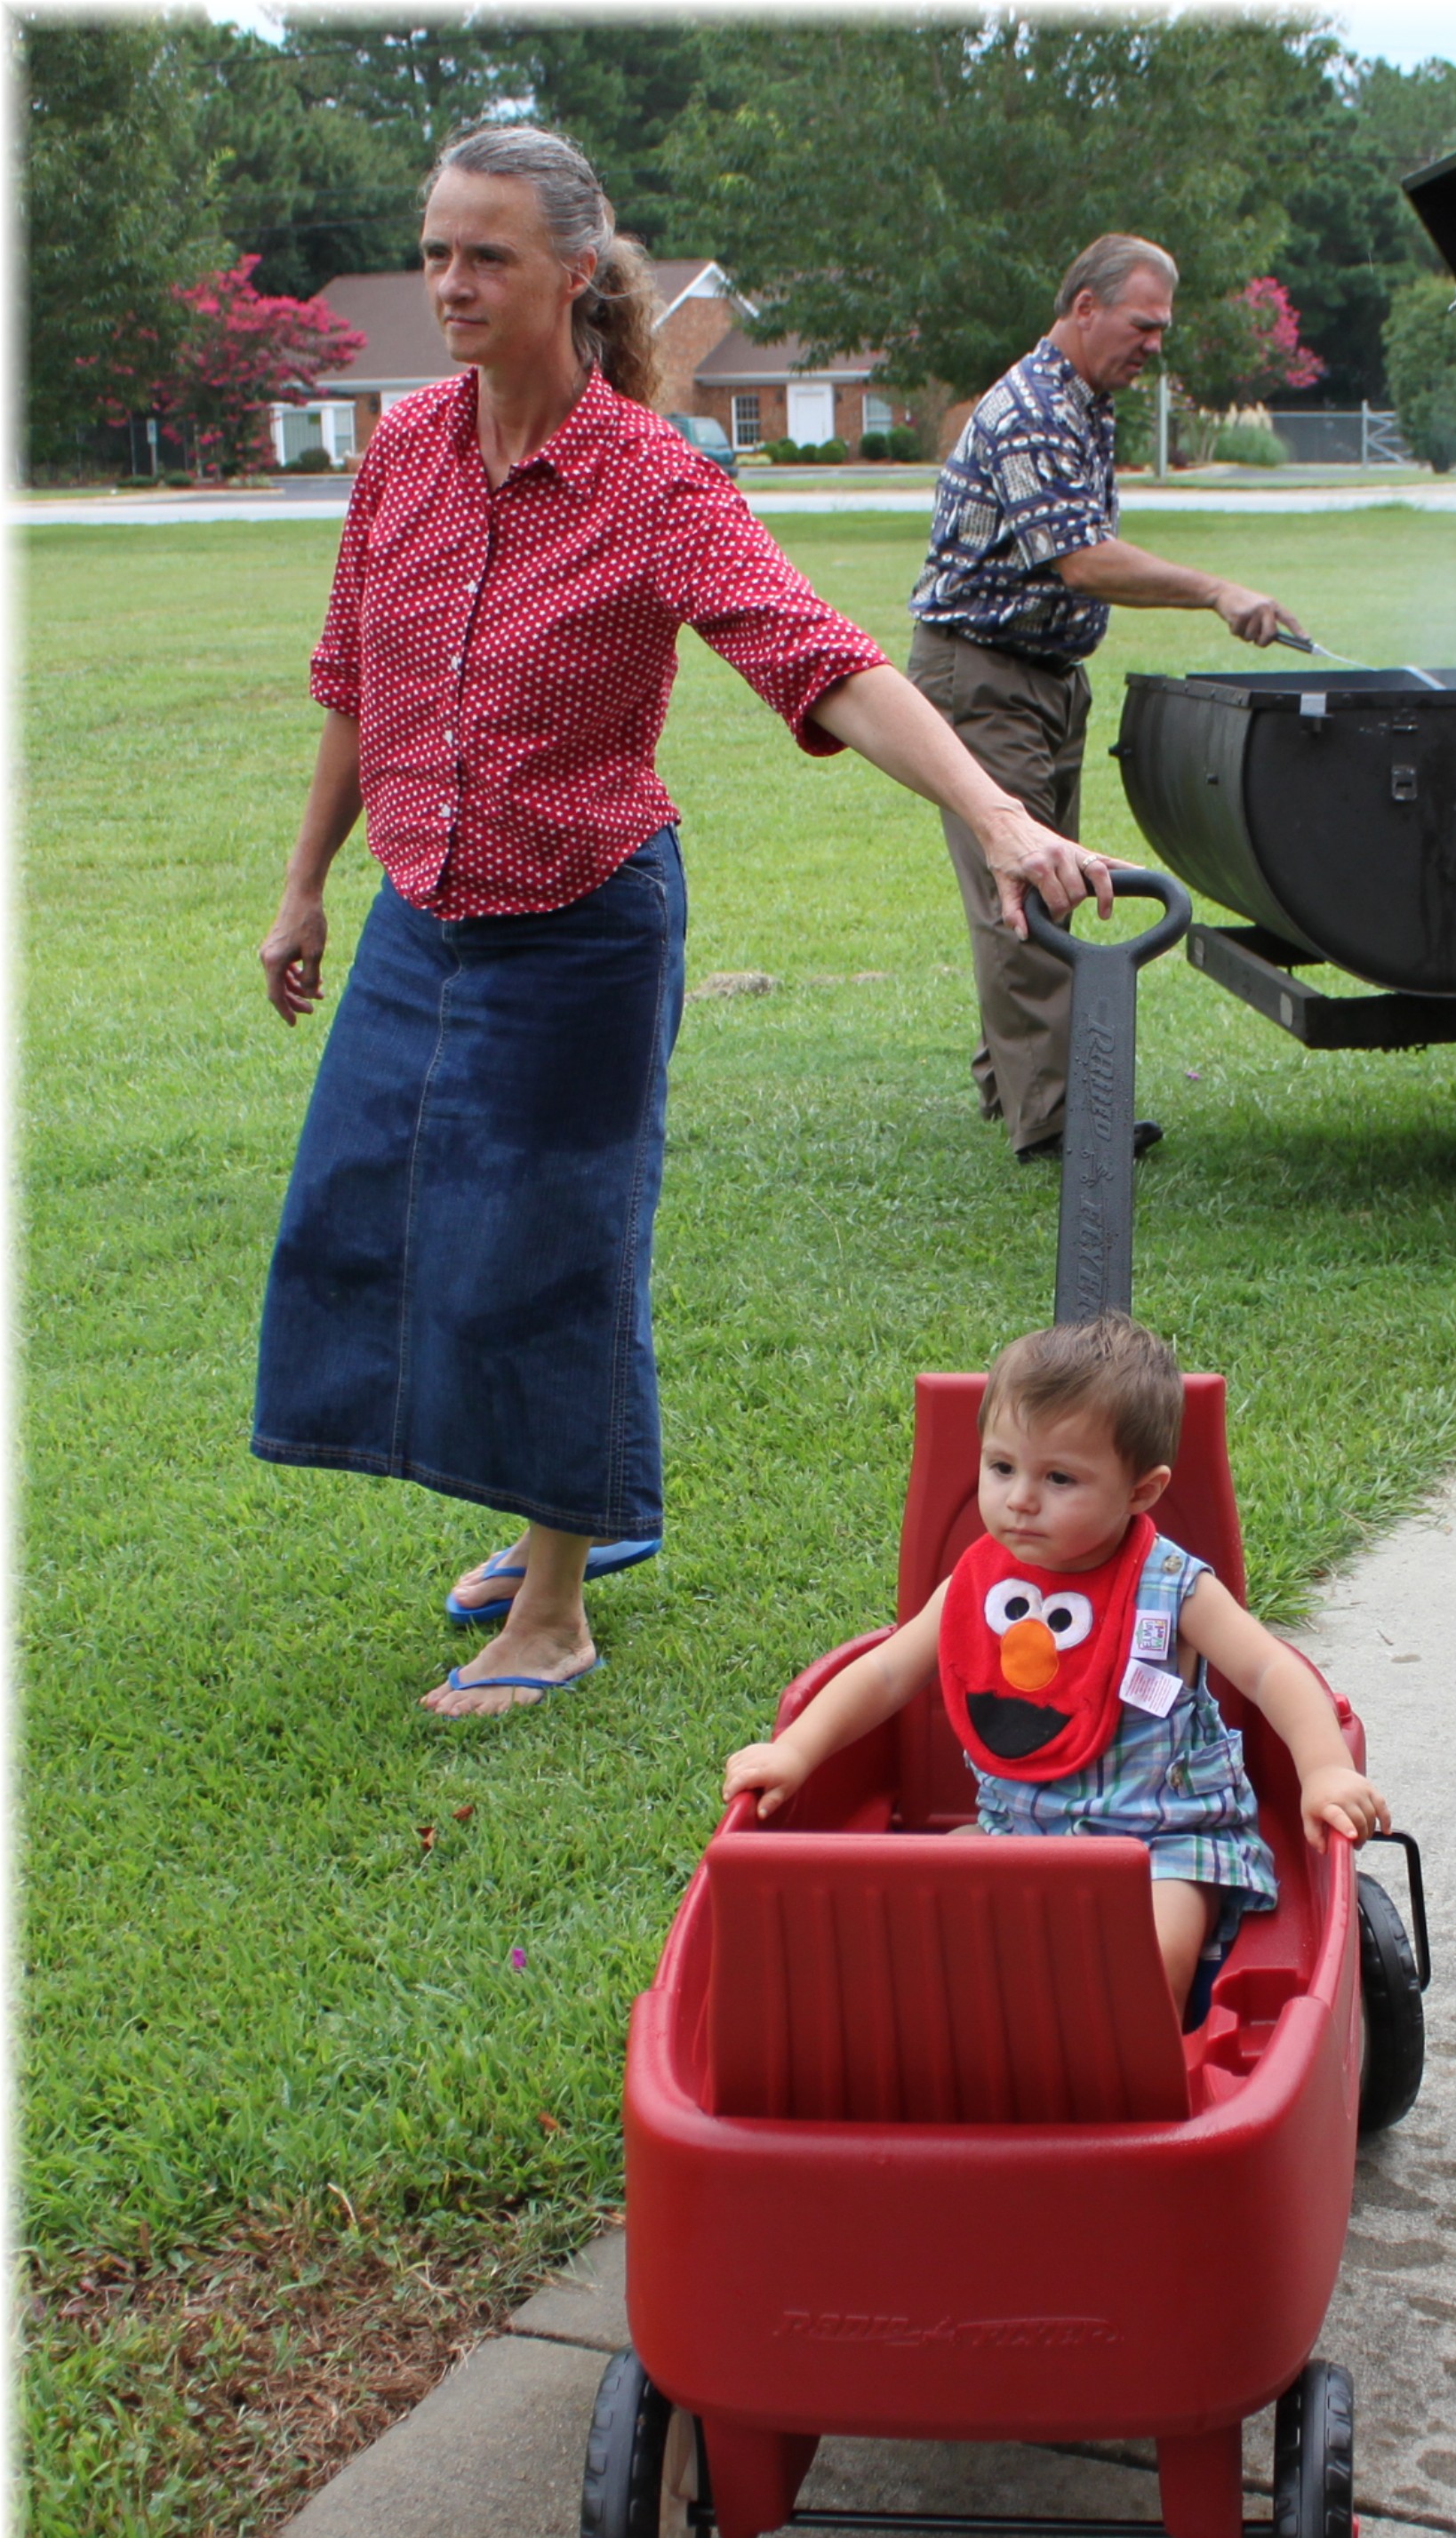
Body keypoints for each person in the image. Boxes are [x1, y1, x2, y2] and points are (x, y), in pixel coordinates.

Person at [252, 124, 1112, 1719]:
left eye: (487, 254)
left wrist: (995, 811)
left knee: (554, 1251)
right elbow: (353, 679)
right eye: (436, 250)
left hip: (584, 921)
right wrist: (308, 884)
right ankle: (579, 1505)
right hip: (421, 911)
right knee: (375, 1220)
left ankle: (555, 1607)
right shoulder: (405, 449)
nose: (450, 282)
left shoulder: (651, 478)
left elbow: (823, 657)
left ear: (574, 272)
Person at [723, 1315, 1388, 2015]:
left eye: (1059, 1478)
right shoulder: (977, 1587)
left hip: (1161, 1840)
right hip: (1020, 1830)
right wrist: (796, 1750)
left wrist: (1324, 1770)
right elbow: (886, 1674)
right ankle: (967, 2035)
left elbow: (1269, 1671)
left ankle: (1132, 2055)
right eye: (1001, 1467)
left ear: (1141, 1491)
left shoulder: (1173, 1588)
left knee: (1152, 1951)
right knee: (926, 1908)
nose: (1020, 1499)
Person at [908, 235, 1307, 1165]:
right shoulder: (1036, 408)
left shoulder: (1086, 403)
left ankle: (1012, 1082)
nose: (1155, 345)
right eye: (1143, 324)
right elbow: (1081, 558)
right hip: (984, 676)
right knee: (1026, 893)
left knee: (1045, 883)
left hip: (1043, 676)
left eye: (1162, 328)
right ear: (1083, 307)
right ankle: (1055, 1121)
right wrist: (1215, 590)